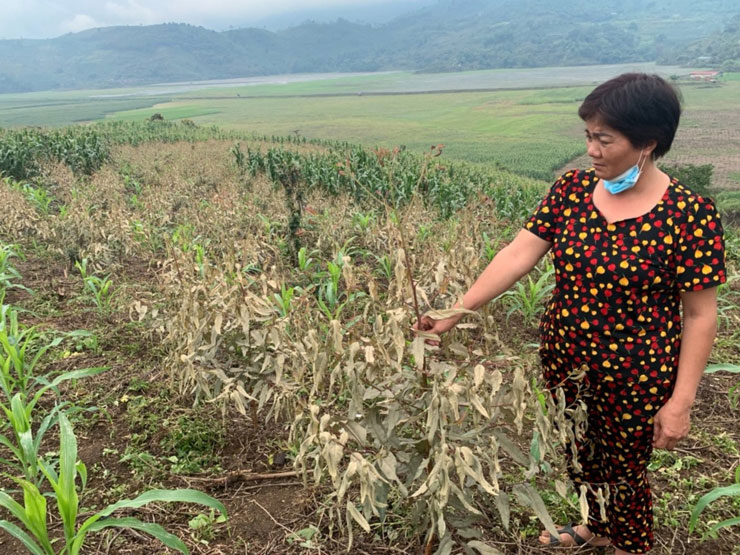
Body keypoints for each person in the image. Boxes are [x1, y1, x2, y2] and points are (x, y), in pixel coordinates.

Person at [414, 73, 726, 554]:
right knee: (578, 449)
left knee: (624, 468)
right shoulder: (572, 191)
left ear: (648, 142)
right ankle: (596, 524)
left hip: (637, 371)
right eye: (588, 136)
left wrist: (680, 401)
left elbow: (701, 315)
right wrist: (455, 311)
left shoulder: (689, 214)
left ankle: (630, 543)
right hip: (567, 357)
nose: (592, 150)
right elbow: (519, 254)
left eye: (604, 139)